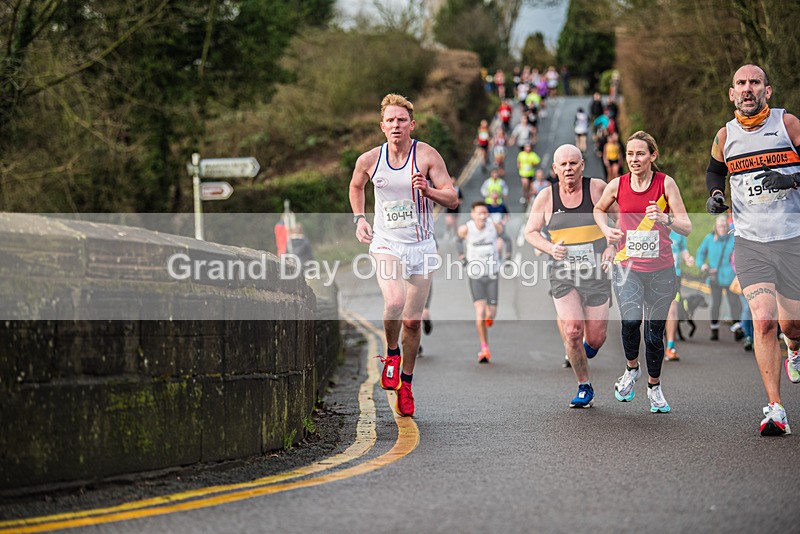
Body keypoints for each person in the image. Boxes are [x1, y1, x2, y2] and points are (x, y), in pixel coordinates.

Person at [704, 64, 800, 436]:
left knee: (792, 325)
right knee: (763, 320)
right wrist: (715, 195)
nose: (747, 89)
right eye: (741, 84)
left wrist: (790, 178)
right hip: (750, 243)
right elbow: (715, 172)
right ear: (732, 94)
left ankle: (794, 346)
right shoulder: (725, 136)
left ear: (768, 90)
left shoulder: (787, 125)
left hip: (792, 240)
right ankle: (776, 408)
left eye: (754, 83)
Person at [349, 93, 458, 417]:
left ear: (412, 124)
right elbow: (356, 187)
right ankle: (392, 355)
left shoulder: (425, 155)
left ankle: (406, 385)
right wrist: (359, 218)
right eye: (390, 121)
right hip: (386, 242)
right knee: (394, 302)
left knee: (412, 321)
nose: (396, 125)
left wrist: (428, 190)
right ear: (382, 126)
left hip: (422, 246)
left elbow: (451, 197)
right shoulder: (370, 159)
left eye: (401, 120)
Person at [594, 131, 692, 414]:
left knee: (653, 333)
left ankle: (654, 386)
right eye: (630, 154)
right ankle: (632, 368)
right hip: (627, 267)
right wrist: (605, 229)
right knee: (629, 322)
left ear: (652, 156)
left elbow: (687, 226)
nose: (634, 159)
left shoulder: (665, 184)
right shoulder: (618, 184)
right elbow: (599, 209)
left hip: (661, 269)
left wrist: (665, 218)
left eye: (640, 153)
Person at [525, 144, 615, 408]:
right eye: (562, 165)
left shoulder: (598, 188)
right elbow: (530, 232)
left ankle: (581, 351)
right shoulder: (546, 197)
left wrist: (612, 246)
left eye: (573, 164)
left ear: (582, 165)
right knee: (573, 331)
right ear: (554, 169)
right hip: (563, 274)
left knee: (595, 338)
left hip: (597, 273)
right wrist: (550, 248)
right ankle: (584, 385)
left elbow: (623, 221)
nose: (568, 169)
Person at [457, 201, 504, 363]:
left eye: (485, 213)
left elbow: (504, 237)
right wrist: (462, 256)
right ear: (472, 214)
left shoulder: (494, 227)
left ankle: (489, 319)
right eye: (479, 213)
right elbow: (458, 241)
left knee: (491, 313)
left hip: (492, 273)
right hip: (475, 274)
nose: (482, 216)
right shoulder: (466, 229)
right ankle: (484, 348)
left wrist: (506, 250)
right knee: (480, 311)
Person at [696, 215, 741, 341]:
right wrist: (703, 265)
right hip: (714, 278)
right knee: (716, 303)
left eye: (725, 226)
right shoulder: (709, 239)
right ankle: (714, 329)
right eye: (720, 226)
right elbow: (700, 254)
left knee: (734, 304)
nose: (722, 228)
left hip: (730, 277)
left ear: (728, 226)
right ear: (716, 227)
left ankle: (737, 329)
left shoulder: (733, 239)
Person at [664, 229, 695, 361]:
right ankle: (652, 344)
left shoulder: (678, 229)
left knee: (672, 309)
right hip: (653, 274)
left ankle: (670, 346)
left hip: (674, 275)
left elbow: (682, 249)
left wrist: (687, 258)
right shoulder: (651, 224)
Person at [444, 175, 463, 240]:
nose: (453, 181)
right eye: (451, 180)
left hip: (456, 209)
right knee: (448, 222)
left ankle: (455, 235)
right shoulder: (447, 189)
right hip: (449, 208)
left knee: (455, 223)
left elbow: (461, 199)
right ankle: (447, 232)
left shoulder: (457, 189)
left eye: (454, 180)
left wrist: (458, 201)